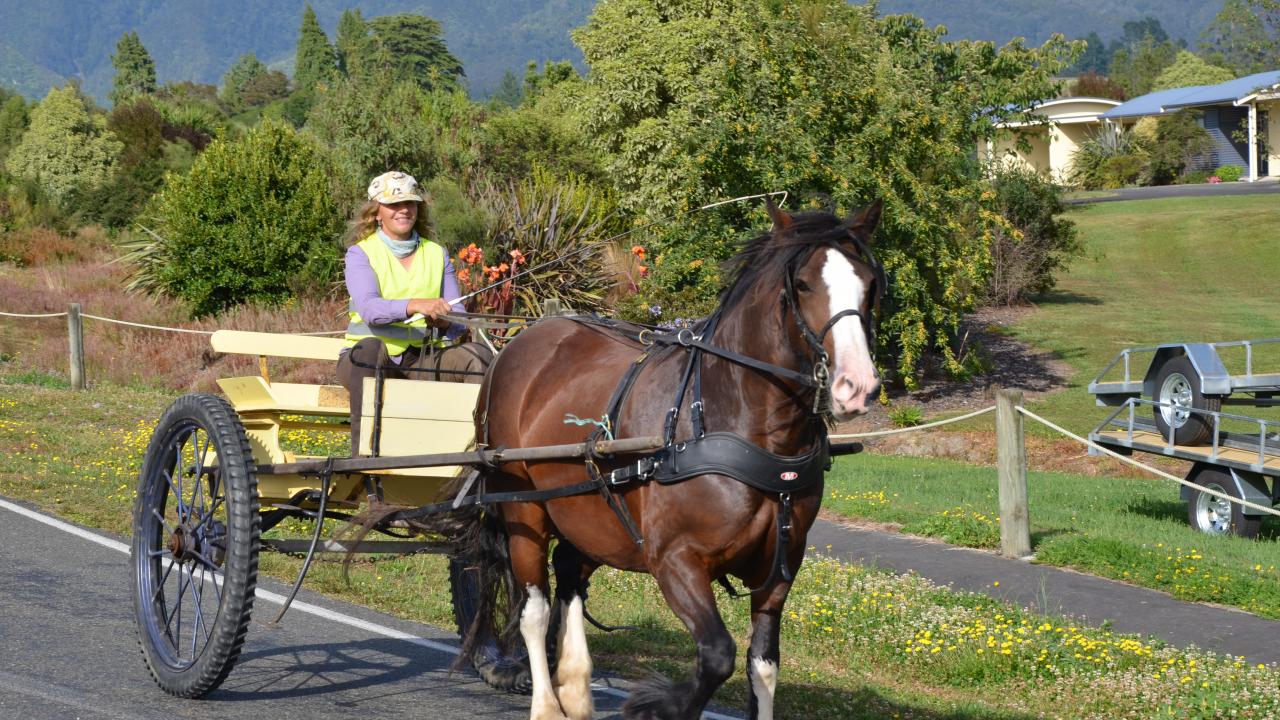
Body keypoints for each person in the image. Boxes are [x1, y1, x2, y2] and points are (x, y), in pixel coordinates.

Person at [336, 170, 486, 454]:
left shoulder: (436, 253)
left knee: (476, 356)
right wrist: (416, 304)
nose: (403, 210)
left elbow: (458, 319)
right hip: (366, 362)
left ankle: (473, 459)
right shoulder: (361, 254)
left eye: (410, 203)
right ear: (377, 212)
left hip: (423, 361)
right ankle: (365, 465)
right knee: (370, 352)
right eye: (394, 204)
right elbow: (369, 309)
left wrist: (444, 319)